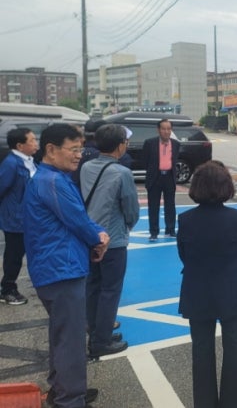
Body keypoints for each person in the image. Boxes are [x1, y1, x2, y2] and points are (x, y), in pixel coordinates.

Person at [23, 123, 110, 408]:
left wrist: (96, 234)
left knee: (62, 335)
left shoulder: (52, 178)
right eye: (73, 150)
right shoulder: (52, 181)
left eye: (80, 149)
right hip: (61, 270)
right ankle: (69, 400)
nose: (78, 155)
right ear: (51, 150)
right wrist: (98, 238)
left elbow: (78, 217)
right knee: (70, 339)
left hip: (59, 268)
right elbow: (77, 220)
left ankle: (64, 390)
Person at [178, 161, 237, 408]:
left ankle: (204, 401)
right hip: (231, 288)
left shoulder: (186, 219)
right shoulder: (236, 218)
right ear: (226, 187)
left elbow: (184, 254)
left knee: (201, 349)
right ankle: (231, 401)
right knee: (233, 348)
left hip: (197, 289)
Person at [81, 124, 138, 360]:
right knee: (110, 290)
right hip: (112, 240)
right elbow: (131, 209)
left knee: (93, 285)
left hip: (89, 236)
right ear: (120, 145)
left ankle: (96, 331)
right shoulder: (122, 172)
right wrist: (127, 227)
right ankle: (101, 341)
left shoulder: (85, 167)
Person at [0, 128, 38, 306]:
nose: (36, 142)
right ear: (20, 145)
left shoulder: (29, 161)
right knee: (14, 255)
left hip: (28, 217)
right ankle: (7, 289)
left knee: (22, 252)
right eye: (32, 140)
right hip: (15, 219)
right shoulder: (12, 163)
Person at [143, 119, 180, 241]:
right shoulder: (150, 143)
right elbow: (146, 161)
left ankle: (170, 230)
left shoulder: (176, 144)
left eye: (169, 129)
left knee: (170, 205)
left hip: (169, 176)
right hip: (155, 177)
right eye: (163, 129)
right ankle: (153, 232)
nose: (166, 131)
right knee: (153, 206)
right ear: (158, 130)